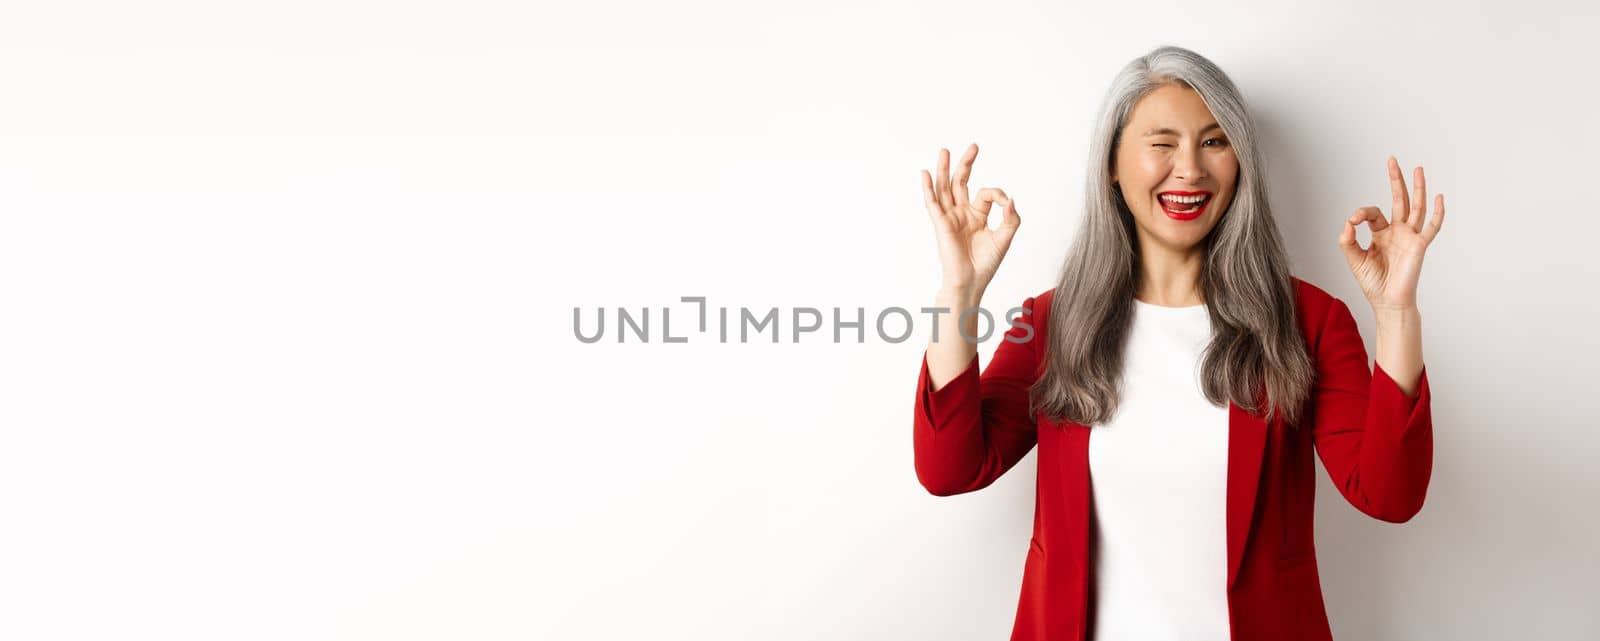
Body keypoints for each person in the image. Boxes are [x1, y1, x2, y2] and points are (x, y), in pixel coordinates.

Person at [912, 45, 1444, 641]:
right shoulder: (1053, 324)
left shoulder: (1307, 320)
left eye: (1215, 142)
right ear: (1112, 163)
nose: (1190, 168)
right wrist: (958, 291)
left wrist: (1397, 313)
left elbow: (1390, 495)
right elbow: (949, 469)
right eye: (1162, 143)